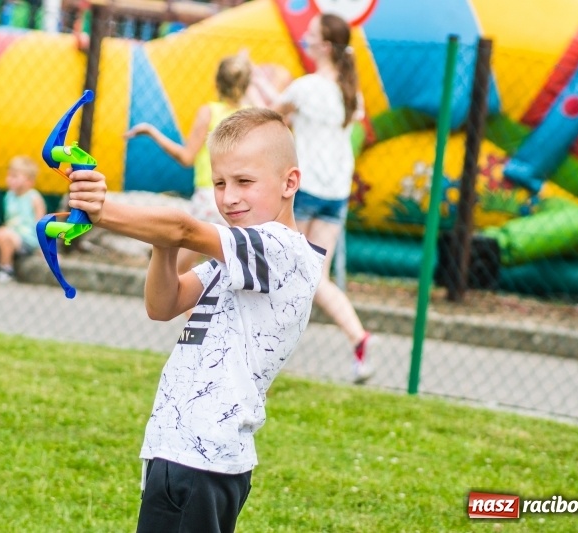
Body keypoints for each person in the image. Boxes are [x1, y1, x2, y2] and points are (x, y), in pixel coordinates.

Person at [67, 108, 325, 532]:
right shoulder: (236, 260)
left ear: (289, 183)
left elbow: (186, 229)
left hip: (203, 457)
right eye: (220, 183)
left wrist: (103, 210)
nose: (229, 197)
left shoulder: (280, 249)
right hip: (182, 449)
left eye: (245, 182)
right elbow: (163, 304)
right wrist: (160, 242)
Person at [251, 13, 378, 383]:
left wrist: (258, 81)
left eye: (311, 33)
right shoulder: (352, 93)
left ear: (324, 45)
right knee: (313, 275)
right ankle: (358, 338)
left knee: (284, 264)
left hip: (304, 188)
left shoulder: (305, 87)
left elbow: (269, 116)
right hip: (336, 191)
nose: (304, 37)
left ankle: (263, 347)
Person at [124, 53, 252, 276]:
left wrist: (152, 132)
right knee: (229, 269)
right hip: (239, 200)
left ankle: (189, 310)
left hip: (208, 197)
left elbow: (186, 158)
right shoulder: (250, 116)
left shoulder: (209, 112)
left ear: (217, 82)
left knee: (178, 271)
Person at [0, 155, 46, 283]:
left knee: (5, 234)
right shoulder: (9, 196)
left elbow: (42, 225)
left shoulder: (34, 198)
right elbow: (10, 220)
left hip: (26, 240)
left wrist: (44, 249)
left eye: (15, 176)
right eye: (9, 175)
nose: (10, 179)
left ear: (29, 181)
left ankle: (6, 268)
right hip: (8, 234)